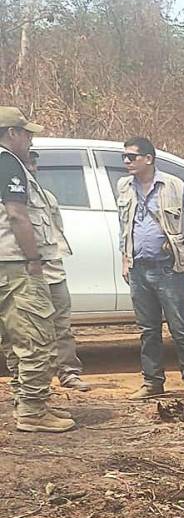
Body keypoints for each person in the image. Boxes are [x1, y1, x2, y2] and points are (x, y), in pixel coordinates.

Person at [117, 137, 184, 400]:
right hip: (139, 269)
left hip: (169, 269)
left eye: (131, 157)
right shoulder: (124, 187)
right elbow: (124, 226)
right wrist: (125, 258)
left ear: (148, 158)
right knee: (148, 330)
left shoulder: (174, 186)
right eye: (124, 157)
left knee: (180, 328)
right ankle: (152, 382)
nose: (127, 162)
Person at [0, 107, 72, 433]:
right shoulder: (8, 162)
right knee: (37, 336)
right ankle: (32, 409)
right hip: (16, 263)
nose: (30, 139)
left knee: (15, 338)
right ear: (11, 133)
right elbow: (17, 215)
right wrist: (33, 261)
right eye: (26, 133)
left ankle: (24, 401)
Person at [2, 150, 89, 394]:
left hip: (51, 270)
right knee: (22, 332)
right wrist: (31, 262)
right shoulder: (8, 199)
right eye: (28, 162)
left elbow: (56, 234)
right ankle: (25, 385)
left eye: (34, 162)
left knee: (61, 326)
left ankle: (68, 372)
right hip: (25, 272)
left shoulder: (45, 197)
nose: (32, 167)